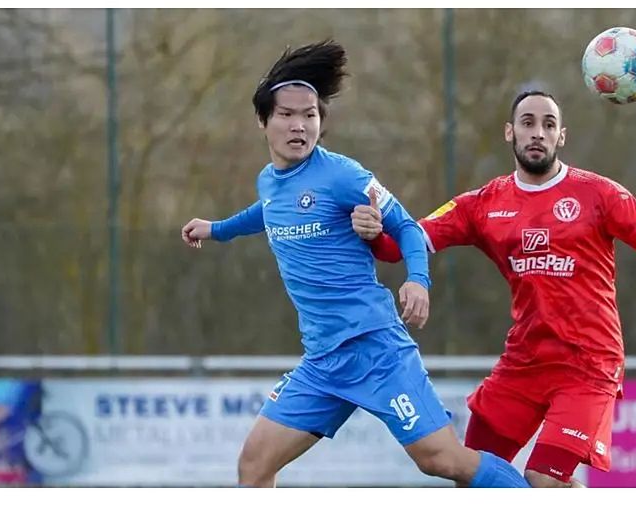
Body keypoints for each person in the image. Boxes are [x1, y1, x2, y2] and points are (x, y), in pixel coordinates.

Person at [350, 89, 636, 488]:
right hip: (523, 364)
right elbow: (398, 247)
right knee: (473, 478)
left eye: (548, 124)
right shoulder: (483, 205)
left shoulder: (599, 195)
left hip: (588, 367)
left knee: (541, 480)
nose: (538, 133)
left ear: (561, 136)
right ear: (509, 132)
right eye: (527, 123)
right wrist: (372, 232)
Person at [180, 41, 529, 488]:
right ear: (263, 121)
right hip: (322, 360)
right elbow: (266, 210)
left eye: (309, 115)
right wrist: (216, 228)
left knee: (443, 460)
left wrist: (418, 280)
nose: (299, 125)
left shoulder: (345, 175)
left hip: (375, 348)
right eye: (287, 114)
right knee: (254, 466)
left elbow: (406, 227)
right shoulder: (269, 181)